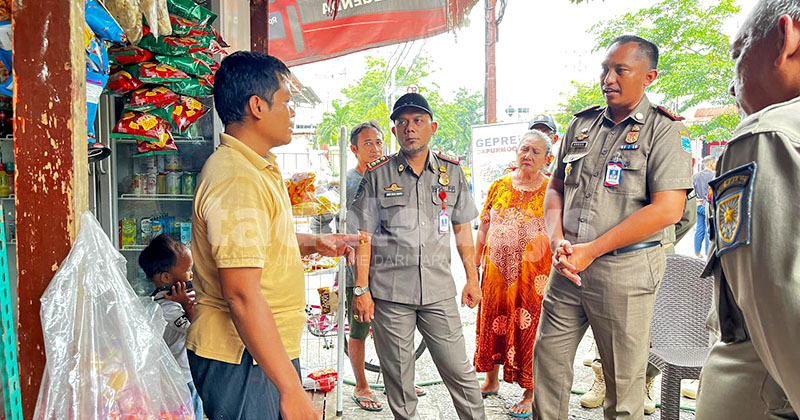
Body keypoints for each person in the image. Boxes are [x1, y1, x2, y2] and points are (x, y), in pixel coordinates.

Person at [186, 51, 360, 420]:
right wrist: (291, 390)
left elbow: (257, 244)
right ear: (257, 106)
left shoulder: (257, 167)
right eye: (286, 101)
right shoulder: (236, 178)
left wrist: (315, 242)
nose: (292, 112)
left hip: (264, 349)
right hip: (242, 356)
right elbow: (241, 293)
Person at [534, 35, 692, 420]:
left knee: (623, 389)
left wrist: (593, 249)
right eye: (605, 69)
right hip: (568, 267)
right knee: (548, 368)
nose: (608, 78)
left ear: (649, 76)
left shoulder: (663, 131)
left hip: (626, 273)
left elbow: (669, 209)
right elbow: (555, 187)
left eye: (621, 70)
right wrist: (558, 240)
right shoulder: (581, 125)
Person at [350, 92, 486, 420]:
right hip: (392, 296)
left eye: (418, 121)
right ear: (395, 131)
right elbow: (363, 238)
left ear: (432, 127)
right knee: (399, 383)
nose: (410, 128)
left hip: (439, 293)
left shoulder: (452, 172)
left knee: (461, 373)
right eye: (403, 123)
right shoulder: (378, 174)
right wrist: (361, 289)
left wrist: (472, 278)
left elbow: (462, 229)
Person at [695, 1, 800, 418]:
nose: (731, 85)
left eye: (739, 52)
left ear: (786, 38)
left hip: (764, 394)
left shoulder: (767, 137)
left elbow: (779, 304)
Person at [473, 130, 554, 418]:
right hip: (496, 275)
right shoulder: (499, 185)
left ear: (547, 158)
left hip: (534, 280)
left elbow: (560, 231)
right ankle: (490, 379)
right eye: (524, 149)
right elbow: (483, 225)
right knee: (492, 322)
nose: (528, 156)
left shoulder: (552, 191)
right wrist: (474, 263)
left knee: (530, 330)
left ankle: (530, 391)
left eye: (535, 152)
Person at [342, 121, 387, 411]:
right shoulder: (351, 181)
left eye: (379, 142)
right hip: (360, 268)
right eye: (368, 143)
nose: (375, 148)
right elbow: (355, 231)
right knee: (360, 326)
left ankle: (397, 379)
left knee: (392, 326)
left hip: (389, 266)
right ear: (354, 149)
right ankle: (361, 384)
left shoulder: (389, 174)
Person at [138, 234, 203, 420]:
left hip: (185, 373)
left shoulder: (175, 300)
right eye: (189, 271)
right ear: (167, 277)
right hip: (179, 378)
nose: (192, 275)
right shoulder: (167, 307)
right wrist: (187, 304)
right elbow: (196, 327)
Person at [692, 155, 716, 257]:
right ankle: (707, 253)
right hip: (708, 206)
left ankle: (697, 252)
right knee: (708, 229)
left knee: (699, 229)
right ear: (710, 163)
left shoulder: (696, 176)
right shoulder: (714, 175)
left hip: (698, 204)